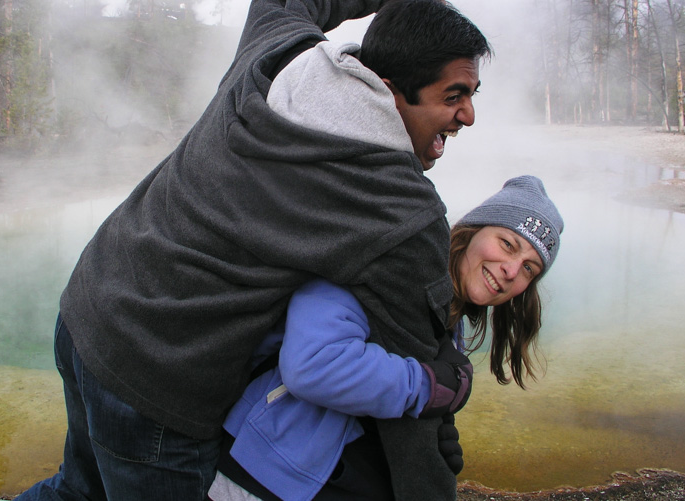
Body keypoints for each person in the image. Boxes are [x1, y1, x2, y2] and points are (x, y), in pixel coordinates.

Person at [18, 0, 491, 501]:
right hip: (159, 378)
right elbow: (416, 359)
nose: (468, 116)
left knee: (78, 493)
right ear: (388, 88)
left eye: (471, 95)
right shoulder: (398, 207)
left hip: (89, 305)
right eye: (452, 96)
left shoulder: (278, 53)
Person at [208, 175, 564, 501]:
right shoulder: (388, 263)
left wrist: (431, 435)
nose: (511, 270)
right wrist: (428, 388)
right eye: (507, 244)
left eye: (529, 268)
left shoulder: (448, 317)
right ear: (471, 231)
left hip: (331, 480)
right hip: (265, 474)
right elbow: (314, 366)